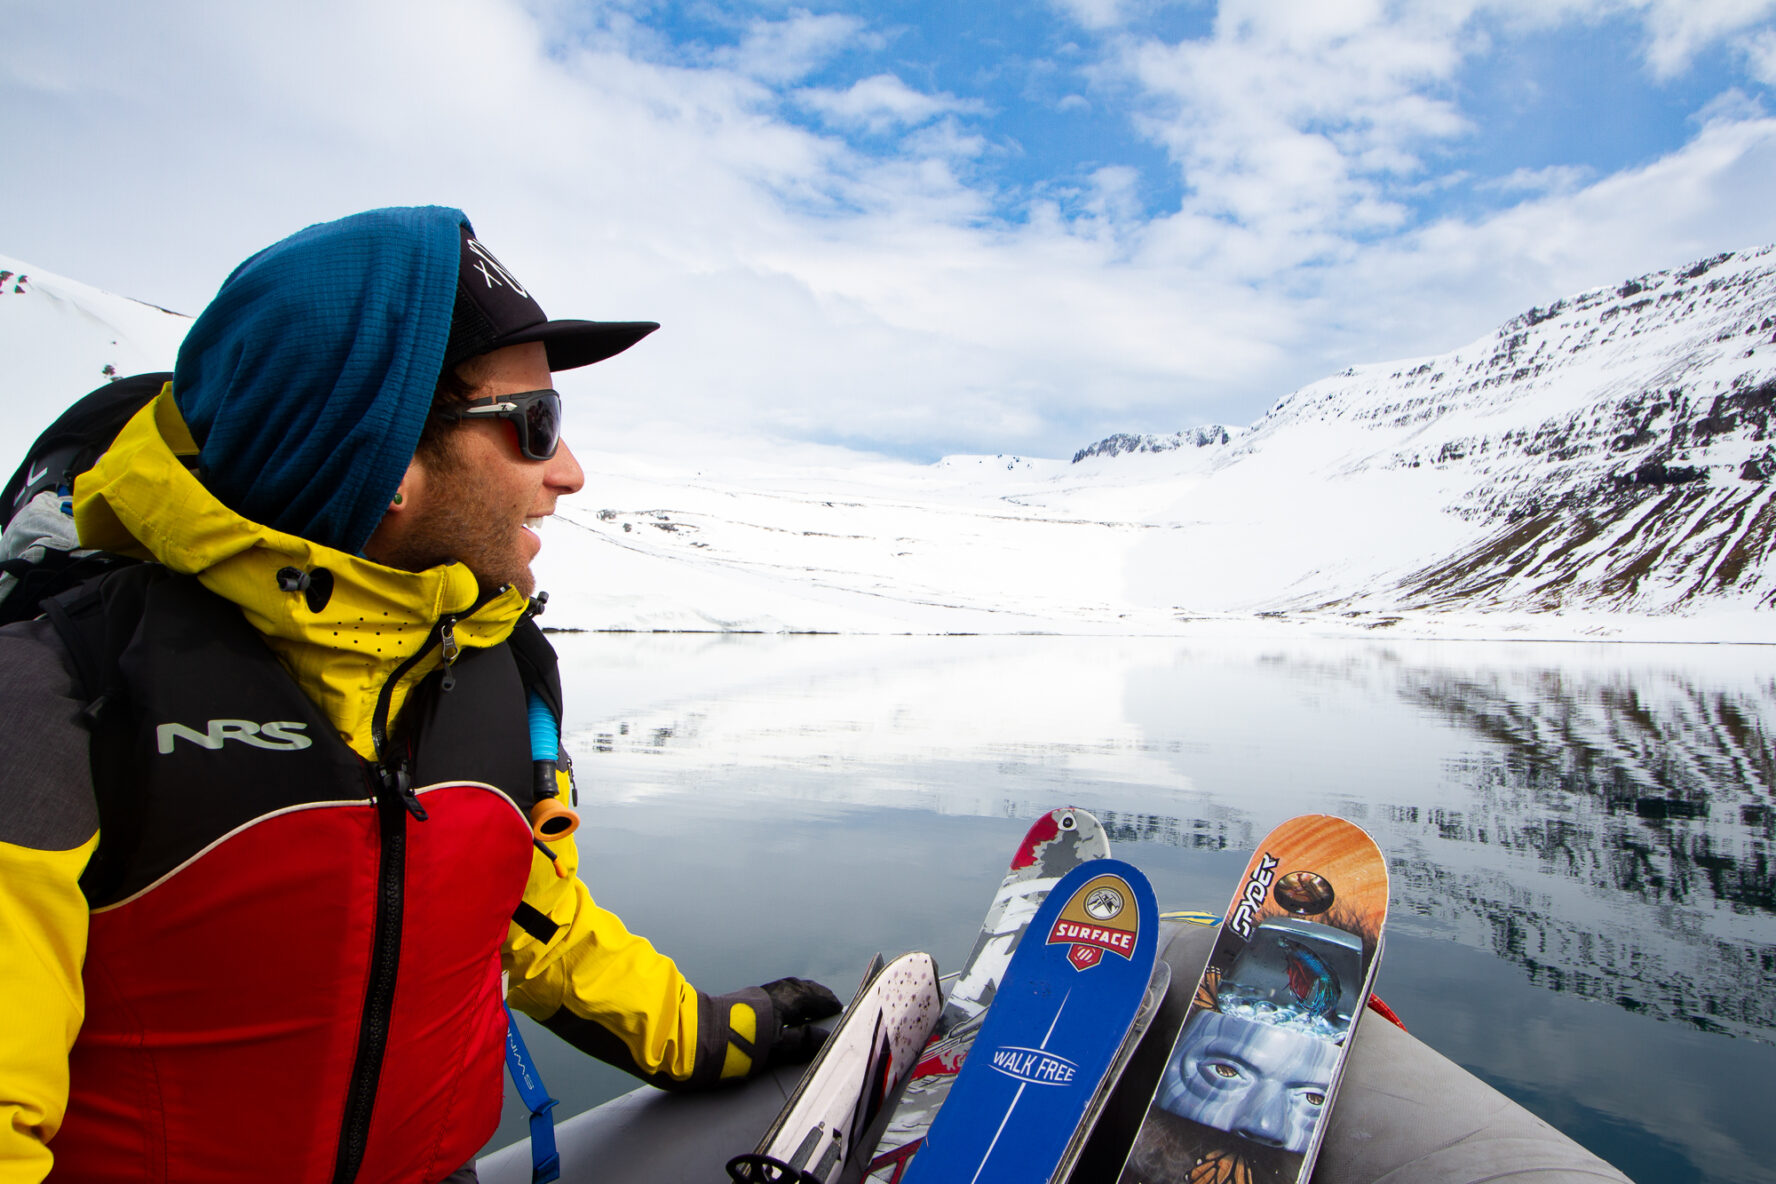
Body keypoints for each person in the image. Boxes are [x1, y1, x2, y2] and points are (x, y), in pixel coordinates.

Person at [0, 207, 840, 1183]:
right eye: (536, 426)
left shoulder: (497, 664)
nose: (569, 471)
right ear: (387, 457)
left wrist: (708, 1034)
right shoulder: (59, 691)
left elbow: (536, 922)